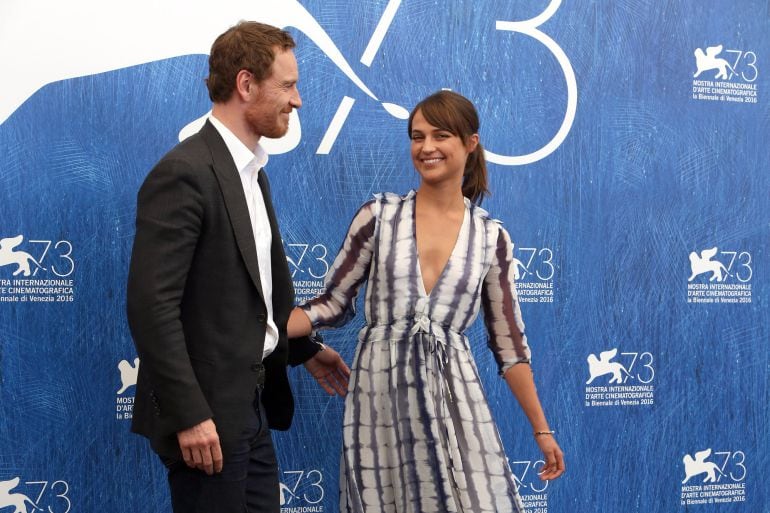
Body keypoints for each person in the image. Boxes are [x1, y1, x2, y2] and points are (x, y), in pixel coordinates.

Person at [287, 90, 565, 513]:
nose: (427, 147)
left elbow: (510, 347)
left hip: (455, 396)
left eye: (441, 135)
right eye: (417, 137)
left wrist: (542, 432)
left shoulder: (492, 238)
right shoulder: (378, 216)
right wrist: (265, 329)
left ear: (471, 143)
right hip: (380, 394)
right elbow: (333, 303)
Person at [127, 21, 350, 513]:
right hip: (205, 420)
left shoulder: (251, 173)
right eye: (288, 86)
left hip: (249, 409)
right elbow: (151, 306)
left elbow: (247, 297)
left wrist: (303, 349)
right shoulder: (184, 173)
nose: (298, 101)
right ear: (246, 84)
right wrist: (189, 415)